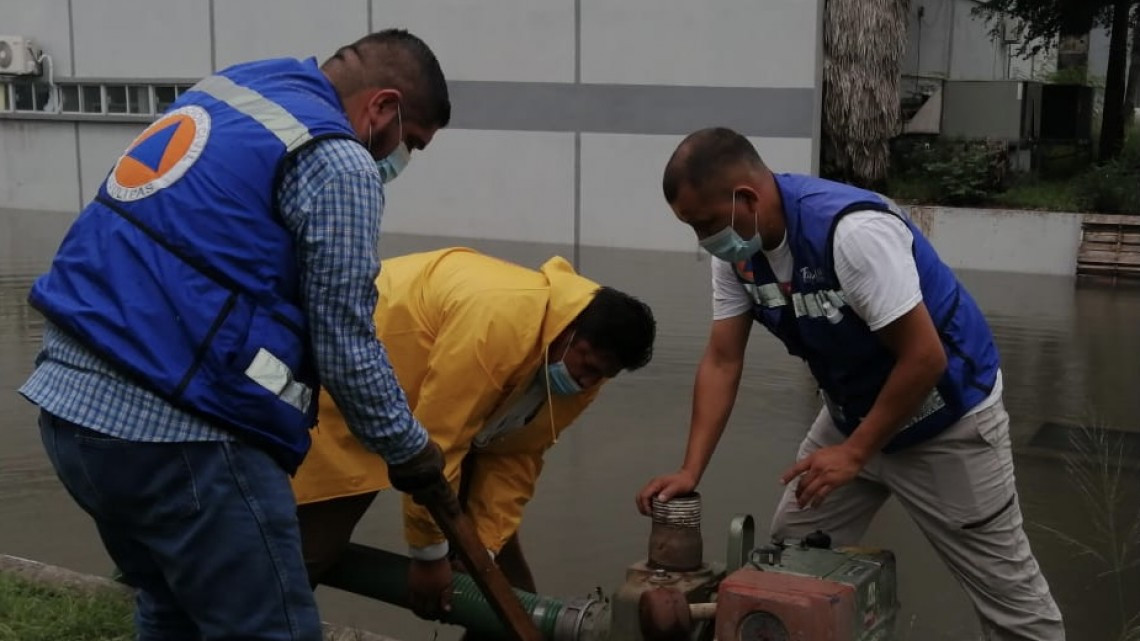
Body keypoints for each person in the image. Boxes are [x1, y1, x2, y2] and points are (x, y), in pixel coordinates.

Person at [21, 30, 452, 641]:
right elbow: (345, 343)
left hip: (70, 412)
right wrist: (410, 453)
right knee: (272, 631)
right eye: (410, 143)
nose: (399, 158)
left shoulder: (235, 89)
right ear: (382, 108)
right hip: (178, 435)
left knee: (172, 611)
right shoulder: (339, 160)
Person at [636, 127, 1064, 641]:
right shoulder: (738, 256)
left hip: (947, 420)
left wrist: (856, 453)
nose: (704, 240)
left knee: (1013, 604)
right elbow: (723, 361)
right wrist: (690, 468)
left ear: (745, 199)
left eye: (705, 224)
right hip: (852, 414)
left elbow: (924, 357)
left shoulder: (852, 234)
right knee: (789, 561)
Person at [292, 247, 656, 627]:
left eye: (602, 375)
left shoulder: (577, 375)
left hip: (428, 415)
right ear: (571, 328)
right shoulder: (501, 322)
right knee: (306, 555)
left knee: (506, 590)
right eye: (587, 364)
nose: (587, 381)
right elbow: (435, 443)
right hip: (349, 385)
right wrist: (429, 556)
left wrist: (481, 548)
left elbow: (517, 456)